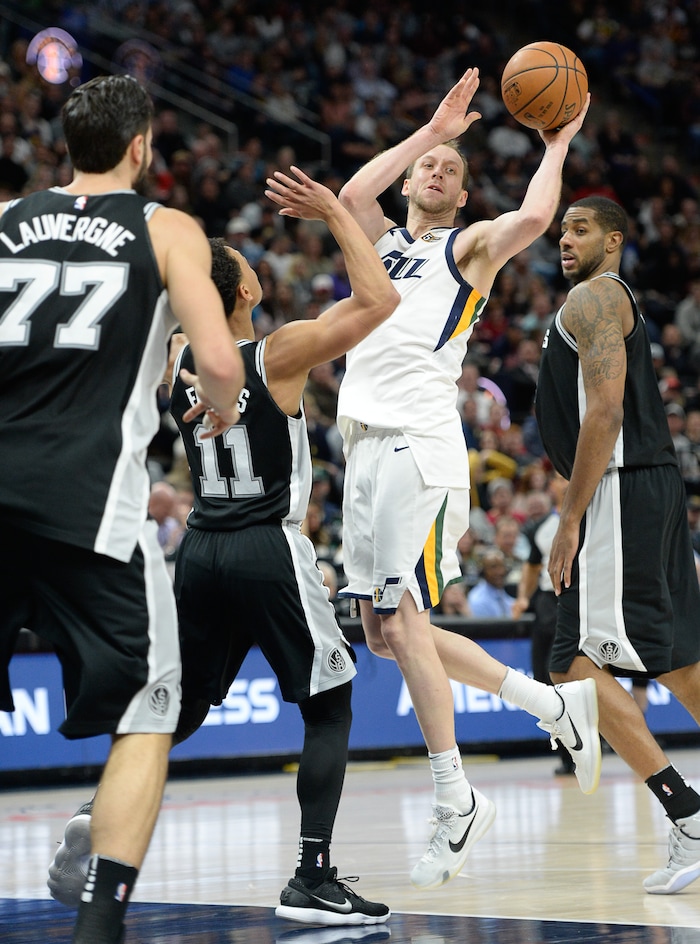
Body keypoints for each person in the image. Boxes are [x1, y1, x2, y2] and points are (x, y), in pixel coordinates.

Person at [49, 165, 399, 928]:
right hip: (267, 547)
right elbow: (380, 300)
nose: (254, 267)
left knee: (186, 702)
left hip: (200, 549)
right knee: (332, 704)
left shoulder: (175, 356)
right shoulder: (278, 354)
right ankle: (311, 875)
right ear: (242, 293)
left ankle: (96, 808)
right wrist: (337, 212)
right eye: (245, 266)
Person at [335, 66, 600, 891]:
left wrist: (555, 144)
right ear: (413, 177)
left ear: (461, 195)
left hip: (419, 441)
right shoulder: (377, 243)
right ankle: (553, 706)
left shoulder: (469, 245)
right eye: (429, 169)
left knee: (402, 617)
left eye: (451, 170)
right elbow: (348, 195)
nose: (439, 174)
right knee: (382, 631)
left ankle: (457, 799)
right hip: (364, 445)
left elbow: (533, 216)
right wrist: (431, 130)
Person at [0, 74, 245, 944]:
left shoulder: (2, 221)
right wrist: (223, 401)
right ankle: (100, 925)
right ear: (142, 147)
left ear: (67, 145)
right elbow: (218, 361)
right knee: (150, 706)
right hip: (88, 504)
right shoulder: (165, 226)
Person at [535, 194, 700, 896]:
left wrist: (570, 516)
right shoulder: (599, 298)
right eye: (562, 229)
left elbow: (604, 410)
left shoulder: (596, 296)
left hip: (620, 492)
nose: (565, 239)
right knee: (683, 662)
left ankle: (688, 816)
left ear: (615, 240)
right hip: (648, 487)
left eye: (581, 229)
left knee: (570, 664)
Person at [512, 472, 575, 776]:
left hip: (579, 601)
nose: (564, 483)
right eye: (560, 478)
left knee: (581, 677)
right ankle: (566, 752)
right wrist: (523, 598)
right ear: (552, 486)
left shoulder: (589, 520)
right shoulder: (540, 528)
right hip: (549, 603)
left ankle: (595, 739)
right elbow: (531, 566)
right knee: (545, 679)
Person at [467, 549, 516, 618]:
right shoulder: (478, 599)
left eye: (502, 566)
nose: (500, 572)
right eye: (494, 567)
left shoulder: (502, 593)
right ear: (483, 571)